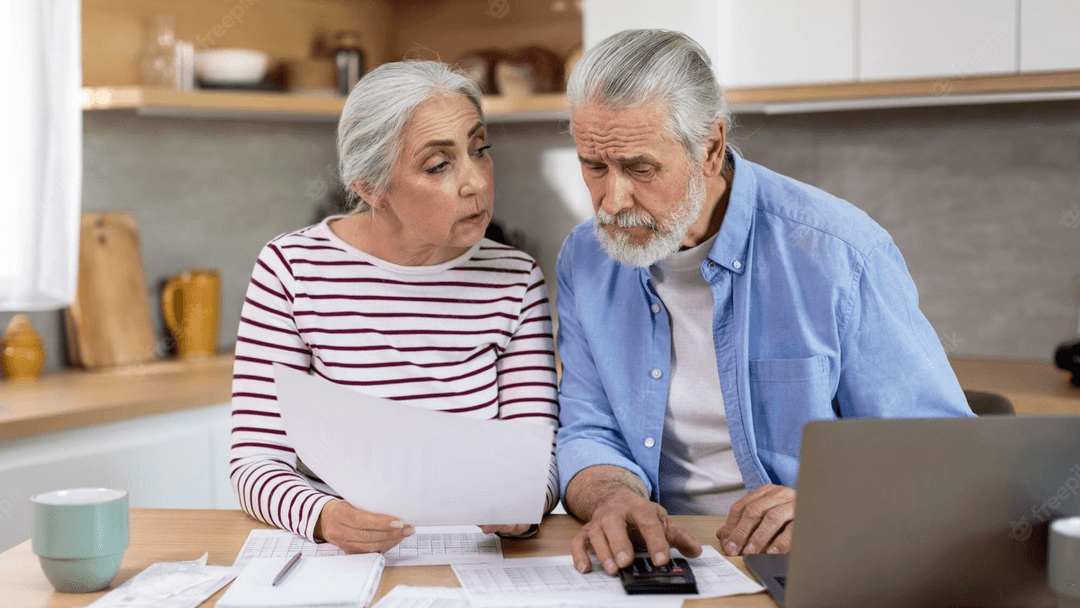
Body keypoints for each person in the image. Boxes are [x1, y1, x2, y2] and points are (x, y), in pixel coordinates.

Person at [554, 29, 974, 574]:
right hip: (660, 563)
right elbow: (589, 428)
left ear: (709, 147)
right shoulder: (585, 258)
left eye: (640, 168)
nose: (612, 200)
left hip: (812, 560)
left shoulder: (838, 251)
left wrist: (835, 509)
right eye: (594, 166)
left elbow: (947, 455)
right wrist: (612, 498)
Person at [230, 60, 559, 553]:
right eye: (439, 165)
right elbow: (255, 460)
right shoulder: (291, 268)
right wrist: (324, 516)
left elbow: (541, 453)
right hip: (346, 557)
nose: (475, 182)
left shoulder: (515, 277)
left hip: (478, 556)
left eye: (479, 150)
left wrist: (524, 506)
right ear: (371, 188)